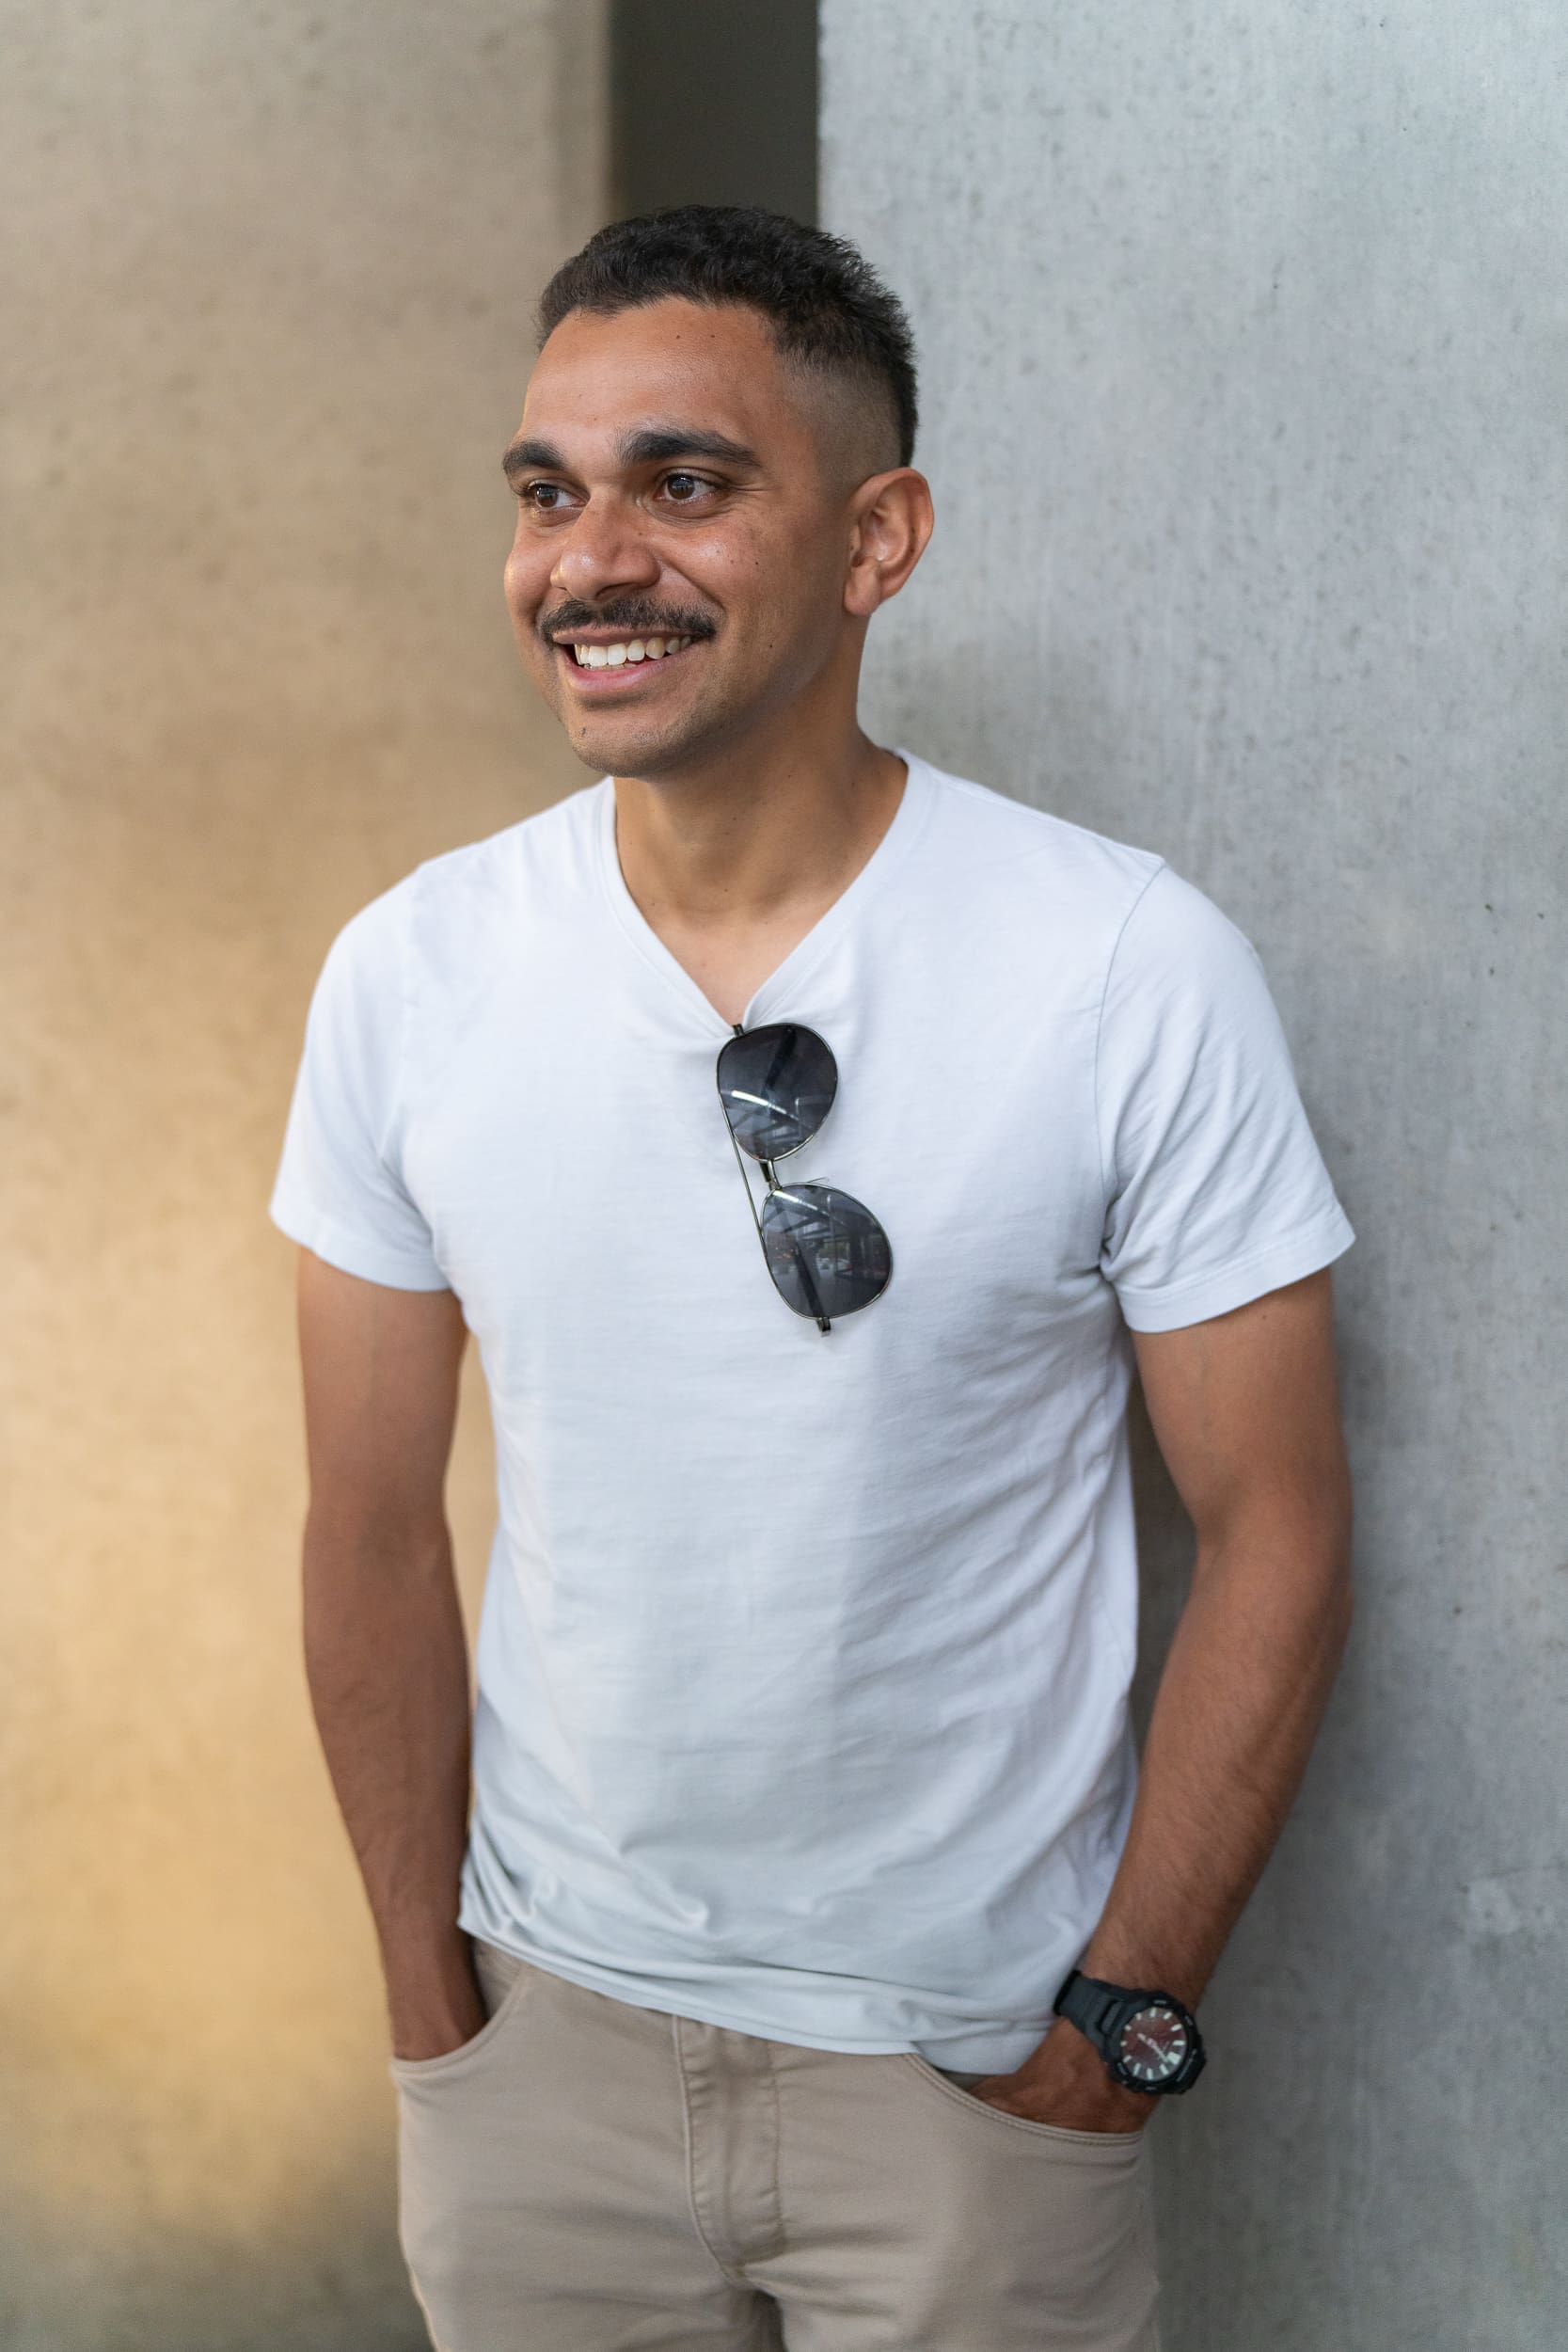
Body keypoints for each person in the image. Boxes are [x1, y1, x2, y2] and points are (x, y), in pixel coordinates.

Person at [270, 205, 1354, 2352]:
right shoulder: (412, 974)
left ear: (878, 539)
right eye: (548, 491)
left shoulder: (1125, 966)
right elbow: (370, 1529)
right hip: (542, 2057)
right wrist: (435, 2015)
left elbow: (1283, 1531)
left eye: (686, 484)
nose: (592, 557)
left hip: (965, 2081)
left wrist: (1110, 2040)